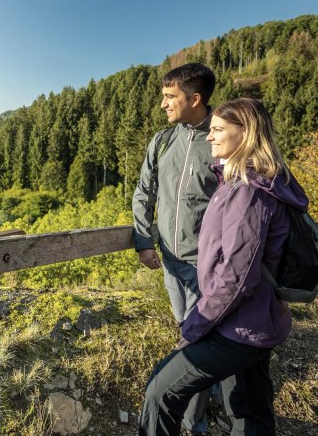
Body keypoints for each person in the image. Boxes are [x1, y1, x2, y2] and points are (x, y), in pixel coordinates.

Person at [137, 98, 309, 435]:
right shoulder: (258, 182)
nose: (210, 137)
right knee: (249, 409)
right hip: (257, 320)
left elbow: (235, 277)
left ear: (244, 134)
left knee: (160, 391)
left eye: (218, 130)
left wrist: (195, 326)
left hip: (237, 326)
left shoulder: (248, 192)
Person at [132, 63, 218, 434]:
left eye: (170, 97)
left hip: (209, 268)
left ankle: (193, 422)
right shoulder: (163, 140)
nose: (163, 105)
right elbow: (143, 193)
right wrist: (142, 240)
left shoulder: (224, 140)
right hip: (169, 260)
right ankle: (210, 384)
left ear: (194, 99)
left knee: (194, 343)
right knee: (186, 328)